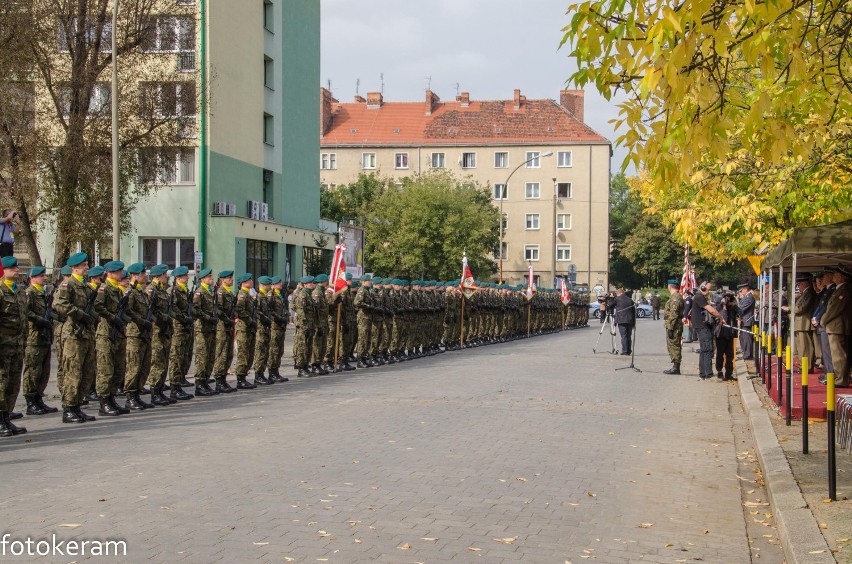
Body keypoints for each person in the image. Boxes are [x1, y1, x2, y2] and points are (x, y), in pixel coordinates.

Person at [54, 252, 99, 422]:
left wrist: (94, 316)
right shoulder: (68, 285)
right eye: (84, 265)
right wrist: (80, 314)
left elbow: (93, 309)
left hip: (86, 334)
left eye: (87, 264)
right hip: (73, 334)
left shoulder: (86, 287)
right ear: (74, 268)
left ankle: (78, 405)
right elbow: (59, 304)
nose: (87, 267)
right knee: (73, 371)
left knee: (87, 372)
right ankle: (68, 408)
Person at [92, 261, 129, 416]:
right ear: (111, 273)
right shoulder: (104, 288)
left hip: (117, 334)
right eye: (119, 271)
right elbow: (98, 307)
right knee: (106, 369)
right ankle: (104, 402)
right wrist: (113, 318)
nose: (121, 274)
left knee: (117, 368)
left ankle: (112, 399)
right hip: (106, 333)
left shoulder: (116, 290)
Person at [23, 265, 59, 416]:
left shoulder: (43, 294)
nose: (45, 278)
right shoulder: (29, 294)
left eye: (45, 275)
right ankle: (31, 401)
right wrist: (40, 320)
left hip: (44, 338)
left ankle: (39, 398)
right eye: (41, 275)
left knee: (44, 372)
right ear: (32, 278)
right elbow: (26, 312)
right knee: (33, 371)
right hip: (34, 338)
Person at [0, 256, 28, 436]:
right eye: (13, 268)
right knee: (1, 383)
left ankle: (6, 417)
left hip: (17, 344)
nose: (17, 270)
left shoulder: (19, 291)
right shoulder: (1, 291)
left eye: (17, 267)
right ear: (4, 270)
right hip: (3, 344)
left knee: (13, 382)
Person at [821, 266, 851, 387]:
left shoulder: (844, 290)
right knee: (835, 355)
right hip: (833, 326)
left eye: (836, 275)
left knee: (838, 355)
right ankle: (838, 377)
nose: (833, 276)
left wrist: (823, 320)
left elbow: (834, 309)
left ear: (841, 277)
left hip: (837, 326)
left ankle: (841, 379)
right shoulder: (838, 289)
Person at [191, 268, 219, 396]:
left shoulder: (211, 292)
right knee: (202, 356)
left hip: (211, 328)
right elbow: (196, 310)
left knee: (210, 355)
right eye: (209, 277)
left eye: (211, 277)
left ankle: (206, 380)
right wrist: (208, 318)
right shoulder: (199, 293)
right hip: (202, 328)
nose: (211, 279)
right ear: (202, 280)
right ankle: (199, 383)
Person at [692, 281, 725, 380]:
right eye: (708, 289)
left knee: (704, 349)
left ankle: (703, 373)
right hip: (702, 326)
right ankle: (708, 373)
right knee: (707, 349)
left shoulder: (700, 297)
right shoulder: (699, 297)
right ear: (702, 288)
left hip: (702, 326)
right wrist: (720, 318)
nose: (709, 291)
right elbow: (712, 310)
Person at [212, 270, 238, 392]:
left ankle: (223, 379)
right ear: (223, 280)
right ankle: (218, 380)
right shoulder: (220, 293)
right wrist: (227, 319)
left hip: (229, 326)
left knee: (228, 354)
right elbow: (218, 310)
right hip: (222, 327)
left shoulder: (229, 293)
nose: (231, 280)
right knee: (221, 353)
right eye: (229, 278)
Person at [812, 267, 837, 379]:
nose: (823, 279)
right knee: (825, 351)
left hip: (827, 323)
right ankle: (827, 373)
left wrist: (818, 318)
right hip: (822, 322)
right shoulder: (827, 290)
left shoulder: (832, 290)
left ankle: (830, 374)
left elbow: (827, 307)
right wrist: (815, 316)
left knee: (828, 352)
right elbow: (821, 305)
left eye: (825, 276)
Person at [792, 273, 817, 372]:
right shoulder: (805, 293)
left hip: (804, 323)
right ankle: (804, 365)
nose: (798, 286)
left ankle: (807, 366)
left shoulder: (809, 293)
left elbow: (801, 308)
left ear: (805, 283)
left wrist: (791, 309)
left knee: (806, 346)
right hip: (800, 323)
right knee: (801, 346)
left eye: (799, 284)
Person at [714, 291, 738, 380]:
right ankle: (719, 371)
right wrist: (724, 307)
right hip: (721, 334)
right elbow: (723, 319)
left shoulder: (732, 307)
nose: (728, 300)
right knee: (720, 354)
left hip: (730, 334)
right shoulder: (719, 307)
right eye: (727, 298)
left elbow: (741, 313)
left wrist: (734, 305)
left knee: (730, 355)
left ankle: (729, 374)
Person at [663, 279, 684, 374]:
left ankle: (676, 367)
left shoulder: (675, 298)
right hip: (674, 325)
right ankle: (675, 366)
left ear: (670, 286)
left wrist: (671, 327)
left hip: (674, 326)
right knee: (672, 345)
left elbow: (674, 313)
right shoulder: (675, 297)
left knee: (674, 345)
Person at [736, 282, 756, 360]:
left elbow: (741, 308)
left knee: (747, 338)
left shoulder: (749, 297)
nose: (740, 292)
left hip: (747, 320)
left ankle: (748, 354)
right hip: (743, 320)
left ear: (745, 289)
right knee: (742, 337)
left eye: (741, 290)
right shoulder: (745, 297)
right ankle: (745, 353)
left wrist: (734, 307)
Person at [614, 288, 635, 355]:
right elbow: (633, 312)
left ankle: (625, 351)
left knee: (624, 336)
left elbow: (610, 305)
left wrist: (611, 298)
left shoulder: (617, 299)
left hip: (621, 320)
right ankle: (629, 350)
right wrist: (634, 323)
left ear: (619, 293)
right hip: (630, 320)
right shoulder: (630, 299)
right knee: (628, 336)